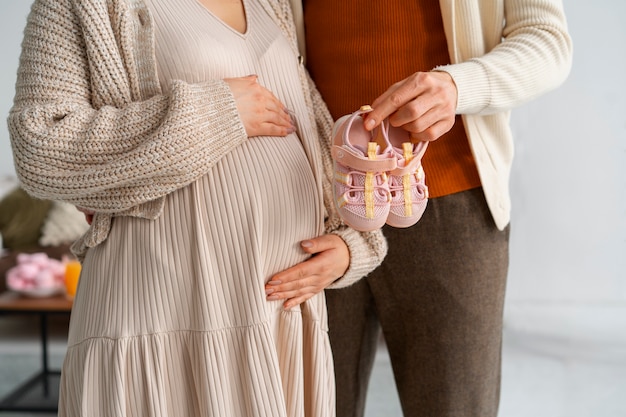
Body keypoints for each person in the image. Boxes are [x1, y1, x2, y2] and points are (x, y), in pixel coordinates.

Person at [8, 0, 387, 415]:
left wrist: (352, 243)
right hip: (166, 314)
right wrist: (219, 112)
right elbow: (40, 146)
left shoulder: (273, 3)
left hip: (279, 320)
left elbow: (311, 130)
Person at [292, 0, 573, 416]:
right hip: (312, 202)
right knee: (308, 403)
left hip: (449, 206)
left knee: (453, 406)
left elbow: (548, 41)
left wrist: (458, 87)